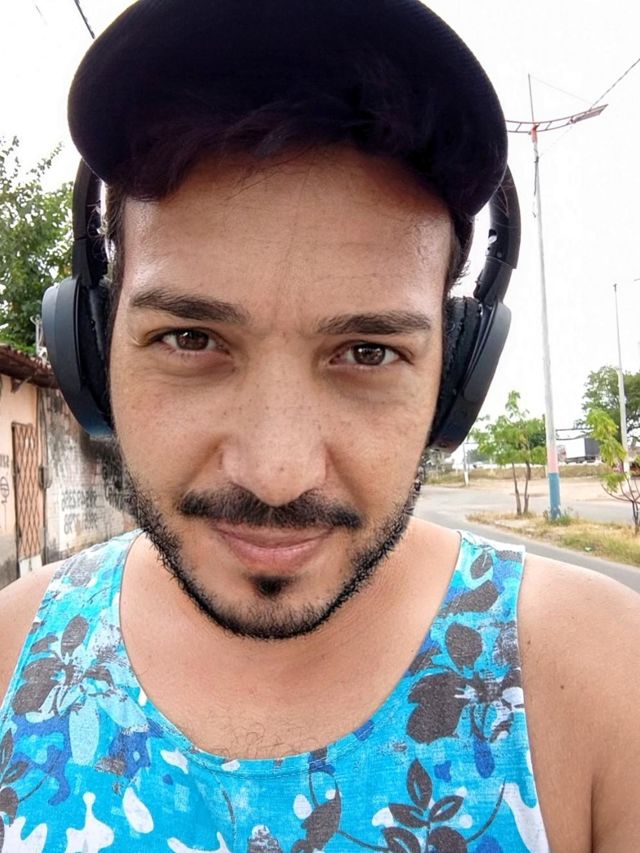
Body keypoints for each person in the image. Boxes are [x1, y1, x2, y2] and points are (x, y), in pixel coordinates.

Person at [0, 1, 638, 850]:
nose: (277, 472)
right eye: (191, 338)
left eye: (368, 352)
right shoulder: (11, 656)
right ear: (94, 346)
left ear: (455, 378)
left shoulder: (607, 682)